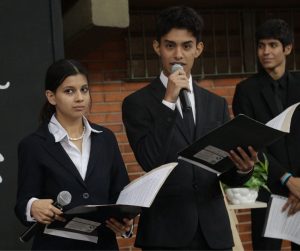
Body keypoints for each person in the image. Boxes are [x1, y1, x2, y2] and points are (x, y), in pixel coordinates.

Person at [122, 6, 258, 250]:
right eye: (170, 45)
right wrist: (169, 101)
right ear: (157, 47)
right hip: (166, 232)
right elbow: (150, 160)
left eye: (186, 46)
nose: (178, 55)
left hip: (213, 232)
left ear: (198, 48)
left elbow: (223, 169)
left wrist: (243, 169)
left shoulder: (215, 103)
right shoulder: (136, 103)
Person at [15, 59, 133, 250]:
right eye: (69, 91)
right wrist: (33, 206)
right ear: (51, 97)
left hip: (103, 245)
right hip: (56, 246)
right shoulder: (33, 145)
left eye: (84, 90)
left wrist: (126, 223)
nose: (79, 98)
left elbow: (121, 193)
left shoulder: (106, 139)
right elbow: (23, 202)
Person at [232, 19, 300, 250]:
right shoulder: (246, 90)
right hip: (268, 188)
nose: (266, 52)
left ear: (287, 48)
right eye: (261, 46)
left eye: (272, 45)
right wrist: (288, 180)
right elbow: (251, 144)